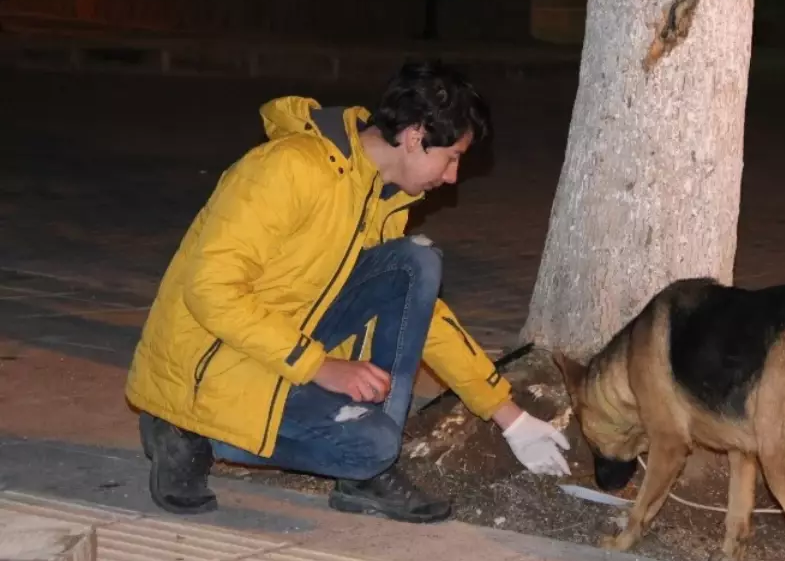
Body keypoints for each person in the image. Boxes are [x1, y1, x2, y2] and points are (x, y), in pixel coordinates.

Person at [125, 60, 571, 524]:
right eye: (453, 156)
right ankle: (183, 427)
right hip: (213, 363)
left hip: (281, 354)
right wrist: (319, 365)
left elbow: (425, 319)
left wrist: (509, 416)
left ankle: (368, 476)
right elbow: (210, 291)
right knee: (366, 443)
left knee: (415, 262)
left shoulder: (380, 200)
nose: (453, 176)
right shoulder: (288, 167)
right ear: (417, 136)